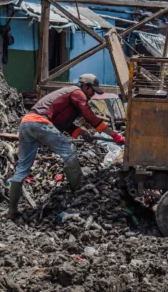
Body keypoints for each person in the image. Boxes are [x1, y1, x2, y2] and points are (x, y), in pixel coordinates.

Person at [7, 74, 126, 219]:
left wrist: (81, 132)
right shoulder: (76, 92)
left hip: (26, 123)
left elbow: (62, 124)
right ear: (85, 86)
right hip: (40, 123)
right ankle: (79, 191)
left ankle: (12, 211)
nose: (93, 94)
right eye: (92, 90)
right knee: (69, 155)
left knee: (22, 168)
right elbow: (90, 116)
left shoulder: (67, 98)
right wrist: (115, 135)